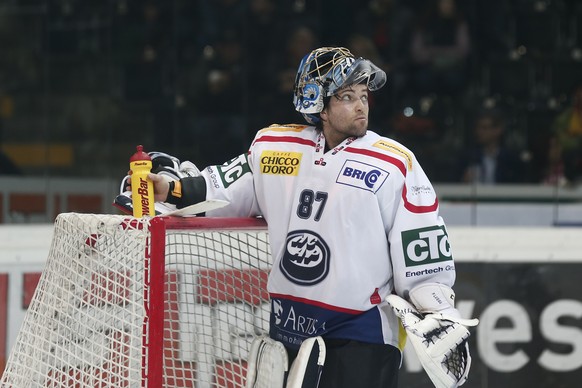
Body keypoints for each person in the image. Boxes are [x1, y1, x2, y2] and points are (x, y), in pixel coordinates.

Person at [143, 47, 474, 387]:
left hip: (361, 333)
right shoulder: (273, 147)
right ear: (319, 104)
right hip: (289, 327)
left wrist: (437, 309)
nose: (361, 106)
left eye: (364, 95)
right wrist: (167, 189)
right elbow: (219, 190)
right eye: (347, 96)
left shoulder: (394, 163)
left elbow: (419, 239)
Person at [456, 108, 530, 184]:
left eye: (484, 128)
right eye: (478, 128)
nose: (479, 132)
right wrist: (463, 181)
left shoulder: (512, 160)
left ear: (498, 130)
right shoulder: (468, 157)